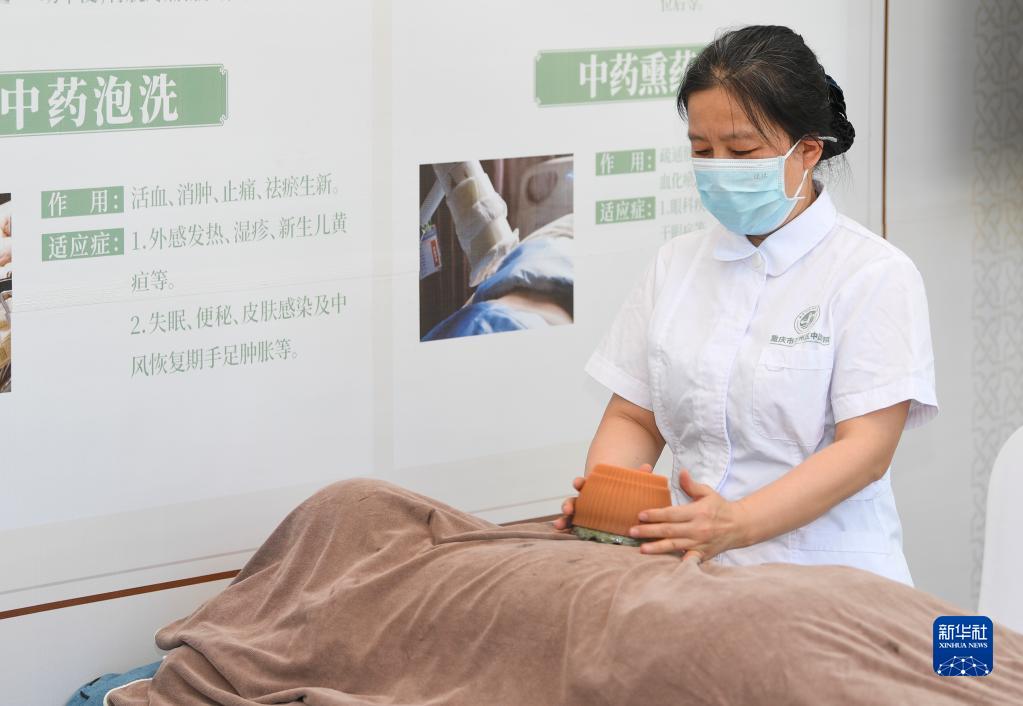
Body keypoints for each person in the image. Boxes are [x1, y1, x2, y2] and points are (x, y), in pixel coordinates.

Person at [553, 24, 938, 586]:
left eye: (741, 151)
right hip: (691, 572)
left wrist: (736, 524)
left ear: (807, 151)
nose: (718, 166)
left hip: (828, 578)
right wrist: (609, 505)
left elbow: (866, 451)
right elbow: (634, 416)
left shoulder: (873, 274)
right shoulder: (675, 264)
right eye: (702, 150)